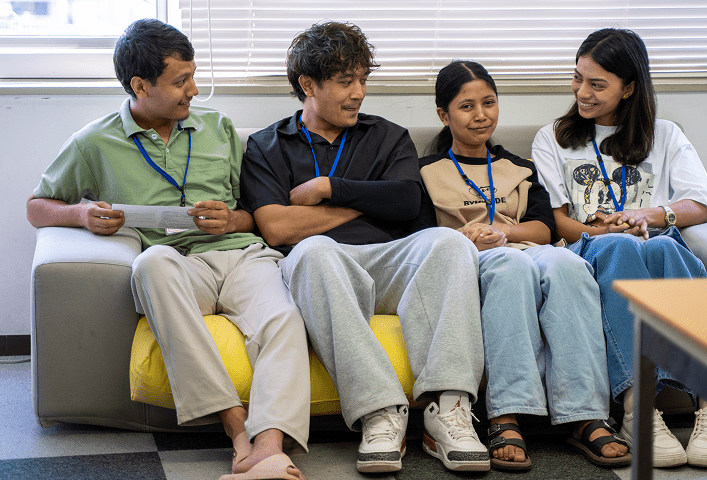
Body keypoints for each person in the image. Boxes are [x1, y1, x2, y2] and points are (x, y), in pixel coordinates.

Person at [26, 19, 309, 480]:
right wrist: (81, 214)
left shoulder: (218, 127)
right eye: (181, 81)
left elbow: (256, 212)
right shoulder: (94, 142)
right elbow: (37, 206)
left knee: (283, 318)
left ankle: (268, 448)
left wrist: (232, 219)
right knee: (151, 261)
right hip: (177, 267)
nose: (193, 90)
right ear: (140, 86)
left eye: (193, 76)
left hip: (240, 255)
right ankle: (235, 426)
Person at [239, 21, 490, 474]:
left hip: (388, 261)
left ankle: (449, 409)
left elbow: (406, 201)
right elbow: (276, 228)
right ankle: (380, 412)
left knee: (449, 242)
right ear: (308, 85)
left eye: (362, 80)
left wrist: (328, 188)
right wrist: (365, 200)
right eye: (345, 81)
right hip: (323, 270)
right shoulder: (267, 145)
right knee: (313, 249)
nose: (358, 93)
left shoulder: (387, 135)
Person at [412, 60, 630, 471]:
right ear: (444, 115)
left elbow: (545, 228)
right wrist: (469, 238)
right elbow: (420, 237)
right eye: (466, 107)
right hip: (468, 260)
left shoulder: (519, 168)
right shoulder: (423, 173)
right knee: (510, 268)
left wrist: (503, 231)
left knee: (568, 264)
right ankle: (506, 414)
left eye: (489, 103)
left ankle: (585, 414)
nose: (481, 115)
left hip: (525, 247)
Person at [532, 28, 707, 469]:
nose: (582, 92)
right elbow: (557, 220)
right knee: (622, 247)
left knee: (666, 250)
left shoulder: (665, 135)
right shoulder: (554, 138)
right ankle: (638, 409)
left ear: (629, 88)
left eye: (597, 84)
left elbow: (700, 204)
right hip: (590, 250)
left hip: (649, 242)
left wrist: (647, 215)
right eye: (578, 78)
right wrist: (604, 233)